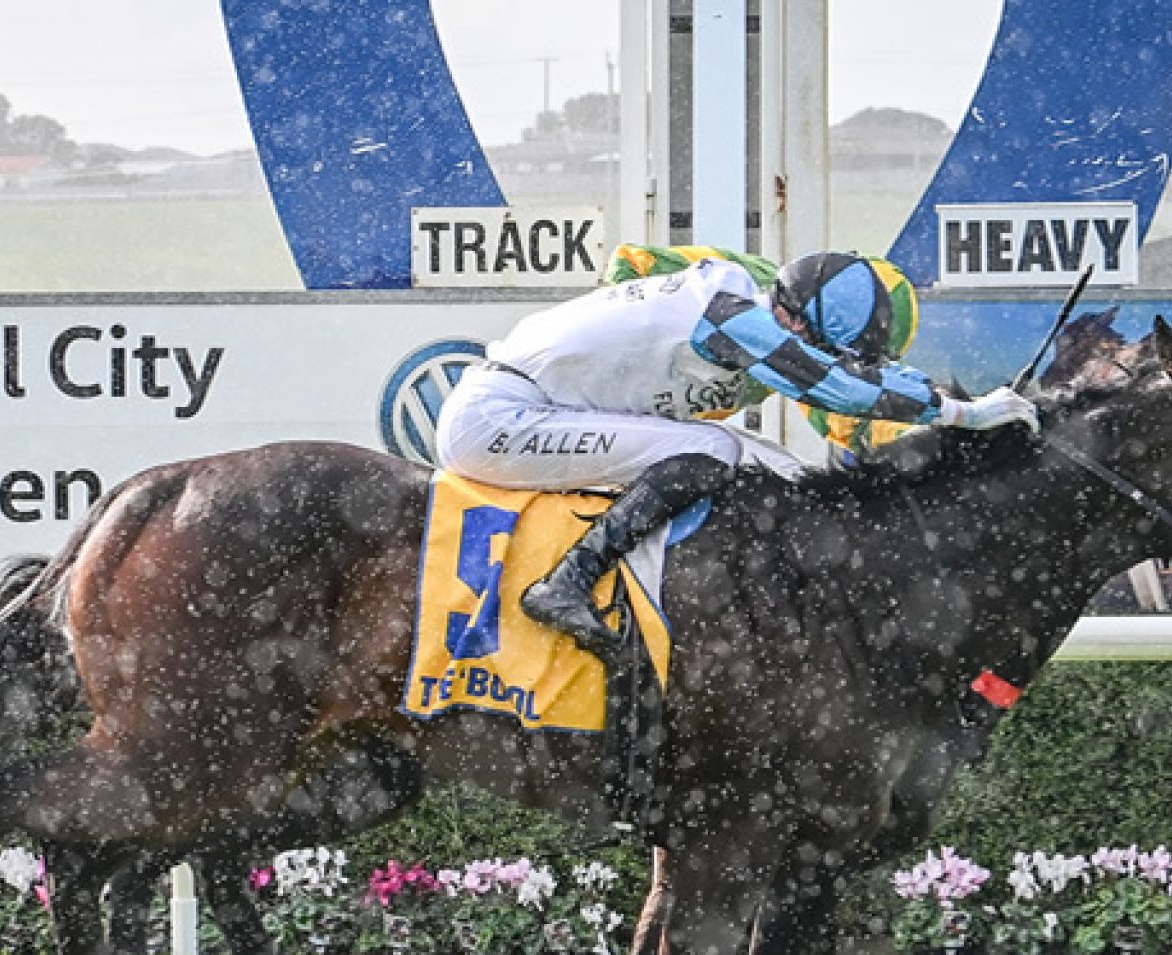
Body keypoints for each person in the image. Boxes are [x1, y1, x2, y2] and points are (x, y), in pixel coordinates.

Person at [432, 249, 1039, 657]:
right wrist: (965, 412)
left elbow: (839, 399)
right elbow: (837, 389)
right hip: (499, 419)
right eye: (830, 348)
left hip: (543, 411)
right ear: (803, 328)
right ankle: (567, 582)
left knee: (779, 467)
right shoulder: (731, 311)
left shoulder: (749, 307)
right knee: (712, 445)